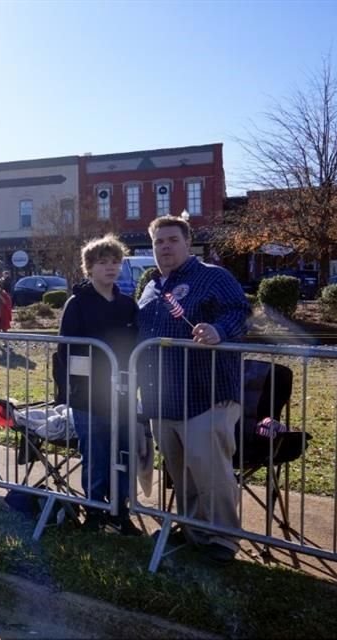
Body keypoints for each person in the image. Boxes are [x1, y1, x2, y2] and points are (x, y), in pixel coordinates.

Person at [137, 215, 251, 564]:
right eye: (159, 242)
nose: (165, 247)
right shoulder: (151, 287)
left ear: (188, 243)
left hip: (207, 394)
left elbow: (240, 312)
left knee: (209, 470)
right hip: (163, 399)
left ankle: (222, 540)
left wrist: (220, 330)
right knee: (181, 472)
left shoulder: (213, 276)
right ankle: (192, 529)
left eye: (172, 240)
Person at [55, 235, 141, 535]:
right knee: (95, 452)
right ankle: (95, 510)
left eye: (115, 262)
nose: (110, 268)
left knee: (124, 452)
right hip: (88, 395)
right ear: (89, 268)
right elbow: (65, 350)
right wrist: (69, 390)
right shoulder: (77, 304)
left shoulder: (128, 304)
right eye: (103, 262)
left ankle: (120, 511)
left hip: (123, 394)